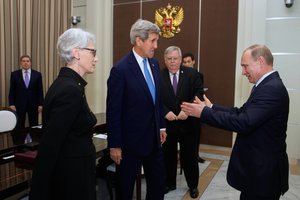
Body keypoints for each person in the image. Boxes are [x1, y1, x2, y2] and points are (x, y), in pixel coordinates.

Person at [181, 44, 289, 200]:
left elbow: (243, 122)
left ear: (260, 61)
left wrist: (204, 113)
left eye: (245, 66)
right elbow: (241, 112)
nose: (243, 72)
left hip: (263, 174)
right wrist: (211, 107)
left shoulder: (271, 89)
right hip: (257, 171)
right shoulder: (265, 85)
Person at [29, 28, 98, 200]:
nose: (96, 58)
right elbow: (50, 145)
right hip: (72, 179)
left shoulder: (71, 85)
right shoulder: (70, 89)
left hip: (75, 172)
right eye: (92, 52)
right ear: (76, 52)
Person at [106, 19, 167, 200]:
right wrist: (115, 144)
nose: (156, 46)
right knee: (125, 190)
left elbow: (157, 101)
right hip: (129, 145)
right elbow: (113, 111)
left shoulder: (155, 65)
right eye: (153, 41)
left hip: (154, 141)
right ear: (139, 40)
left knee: (157, 186)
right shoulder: (120, 70)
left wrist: (161, 126)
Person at [161, 46, 203, 198]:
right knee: (168, 156)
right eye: (169, 59)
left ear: (180, 59)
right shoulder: (158, 75)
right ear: (165, 60)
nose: (172, 62)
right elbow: (155, 98)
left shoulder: (193, 74)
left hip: (188, 124)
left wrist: (188, 110)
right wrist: (165, 112)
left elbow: (199, 93)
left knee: (190, 157)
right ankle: (169, 183)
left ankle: (193, 186)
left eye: (175, 59)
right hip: (169, 125)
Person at [182, 52, 206, 163]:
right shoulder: (180, 74)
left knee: (196, 134)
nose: (187, 64)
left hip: (195, 109)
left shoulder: (198, 75)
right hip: (182, 110)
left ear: (193, 62)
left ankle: (195, 155)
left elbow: (199, 91)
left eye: (188, 61)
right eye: (184, 62)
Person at [8, 55, 44, 129]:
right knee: (19, 125)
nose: (25, 63)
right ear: (20, 63)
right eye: (23, 61)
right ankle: (19, 140)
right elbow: (12, 90)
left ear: (30, 63)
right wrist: (11, 103)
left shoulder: (37, 74)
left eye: (27, 61)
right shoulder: (14, 74)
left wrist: (41, 104)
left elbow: (40, 90)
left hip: (33, 104)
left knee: (34, 125)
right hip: (19, 104)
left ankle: (34, 139)